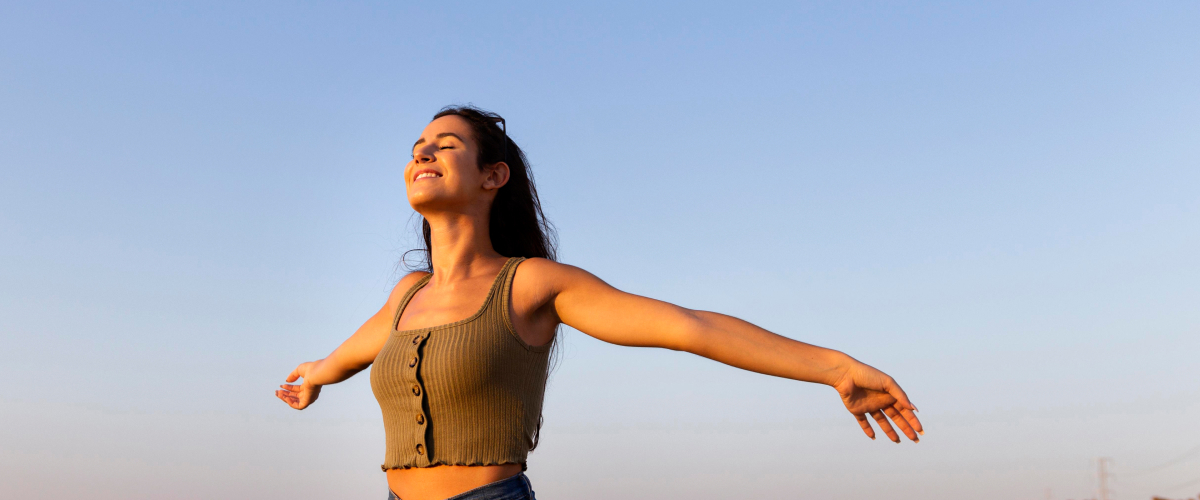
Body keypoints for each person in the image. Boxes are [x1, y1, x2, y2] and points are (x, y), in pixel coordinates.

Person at [275, 106, 924, 500]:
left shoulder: (530, 284)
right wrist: (313, 376)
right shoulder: (406, 295)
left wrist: (835, 366)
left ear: (493, 176)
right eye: (417, 146)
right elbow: (347, 355)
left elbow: (686, 327)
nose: (424, 151)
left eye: (446, 145)